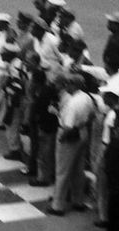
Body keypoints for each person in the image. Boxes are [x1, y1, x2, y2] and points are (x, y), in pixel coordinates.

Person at [47, 74, 94, 215]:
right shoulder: (86, 97)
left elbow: (68, 126)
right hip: (83, 133)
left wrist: (61, 137)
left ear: (75, 85)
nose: (66, 86)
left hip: (70, 137)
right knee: (78, 170)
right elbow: (91, 116)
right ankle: (77, 200)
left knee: (62, 171)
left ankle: (58, 205)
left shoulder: (73, 103)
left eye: (69, 84)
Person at [92, 87, 119, 228]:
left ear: (112, 98)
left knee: (102, 183)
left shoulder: (112, 116)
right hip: (110, 150)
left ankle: (103, 217)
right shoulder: (117, 113)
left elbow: (111, 135)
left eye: (105, 95)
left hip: (107, 148)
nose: (102, 97)